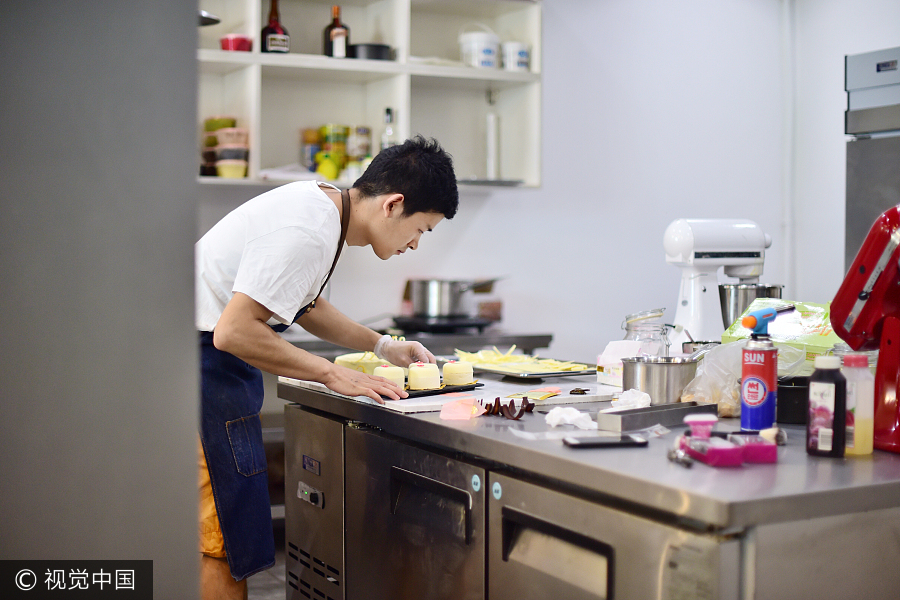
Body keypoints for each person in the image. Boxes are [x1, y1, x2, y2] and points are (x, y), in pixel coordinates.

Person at [195, 136, 458, 599]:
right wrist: (332, 373)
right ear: (394, 204)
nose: (416, 244)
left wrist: (383, 345)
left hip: (212, 369)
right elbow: (233, 332)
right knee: (223, 539)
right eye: (423, 229)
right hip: (200, 369)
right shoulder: (309, 229)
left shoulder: (322, 210)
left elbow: (304, 305)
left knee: (227, 531)